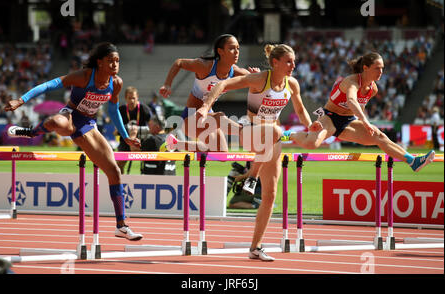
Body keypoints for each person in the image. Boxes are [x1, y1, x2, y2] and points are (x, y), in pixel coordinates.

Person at [4, 42, 143, 241]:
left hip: (88, 124)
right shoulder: (85, 76)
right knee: (54, 121)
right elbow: (49, 84)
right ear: (99, 62)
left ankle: (121, 226)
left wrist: (126, 136)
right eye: (110, 61)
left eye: (117, 61)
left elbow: (113, 110)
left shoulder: (116, 83)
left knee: (114, 171)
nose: (115, 65)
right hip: (71, 115)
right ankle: (31, 133)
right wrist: (21, 100)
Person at [198, 44, 322, 261]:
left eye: (294, 61)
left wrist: (311, 125)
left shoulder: (291, 84)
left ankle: (255, 247)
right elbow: (224, 84)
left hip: (270, 141)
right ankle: (251, 174)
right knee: (276, 129)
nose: (293, 65)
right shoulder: (259, 80)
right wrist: (205, 106)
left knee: (270, 195)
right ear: (275, 62)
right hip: (251, 132)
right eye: (289, 61)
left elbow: (301, 110)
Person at [283, 52, 435, 172]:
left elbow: (359, 107)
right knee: (312, 143)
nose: (381, 72)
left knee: (380, 136)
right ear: (365, 68)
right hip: (329, 117)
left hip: (348, 121)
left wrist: (366, 124)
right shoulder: (351, 81)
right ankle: (290, 135)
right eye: (377, 68)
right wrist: (365, 121)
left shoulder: (373, 89)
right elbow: (352, 100)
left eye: (382, 68)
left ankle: (413, 161)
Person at [159, 34, 259, 152]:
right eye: (232, 48)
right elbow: (179, 62)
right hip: (191, 118)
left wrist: (257, 75)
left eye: (238, 48)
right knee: (219, 117)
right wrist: (167, 84)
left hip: (208, 117)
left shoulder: (236, 72)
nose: (236, 52)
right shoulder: (205, 66)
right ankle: (245, 131)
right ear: (220, 51)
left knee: (221, 152)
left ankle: (175, 144)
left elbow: (260, 83)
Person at [117, 86, 152, 174]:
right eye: (129, 98)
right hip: (125, 141)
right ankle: (120, 182)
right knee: (118, 165)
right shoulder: (121, 110)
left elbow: (153, 127)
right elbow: (116, 130)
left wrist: (138, 130)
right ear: (125, 98)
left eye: (134, 98)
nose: (132, 101)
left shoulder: (144, 109)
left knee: (151, 163)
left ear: (137, 97)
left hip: (142, 141)